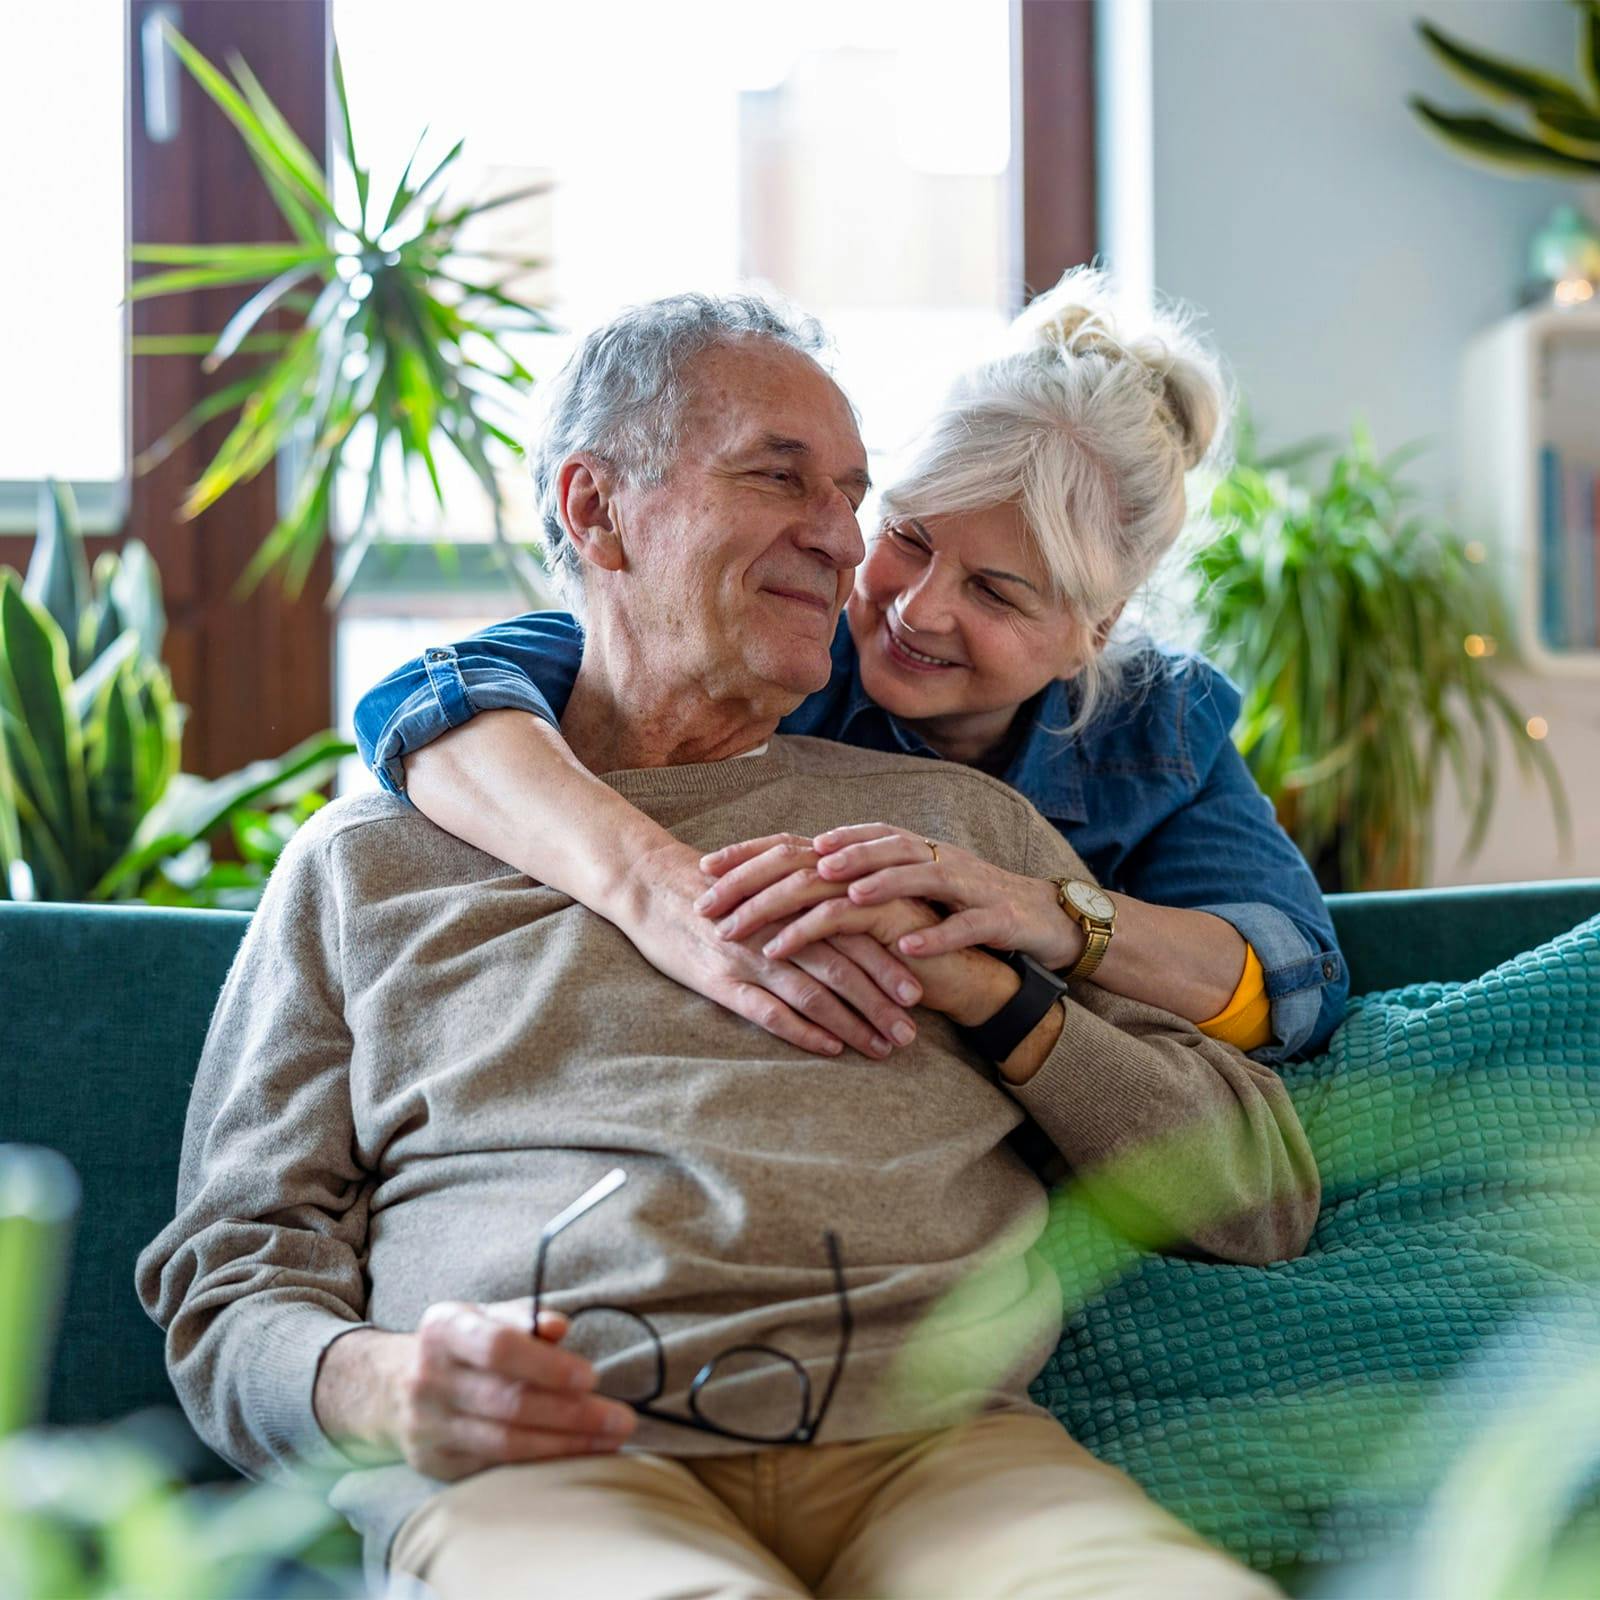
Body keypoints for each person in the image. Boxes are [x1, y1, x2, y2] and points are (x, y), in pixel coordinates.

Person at [137, 292, 1316, 1600]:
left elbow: (1261, 1187)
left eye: (852, 495)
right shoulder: (373, 859)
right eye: (779, 477)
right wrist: (385, 1386)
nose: (845, 542)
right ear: (596, 510)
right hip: (549, 1467)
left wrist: (1003, 995)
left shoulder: (963, 836)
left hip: (947, 1456)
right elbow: (229, 1278)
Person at [353, 266, 1347, 1079]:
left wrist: (1044, 911)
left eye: (995, 592)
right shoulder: (784, 644)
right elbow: (431, 703)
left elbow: (1292, 981)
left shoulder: (1156, 726)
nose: (917, 609)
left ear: (1095, 628)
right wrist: (654, 887)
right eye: (908, 539)